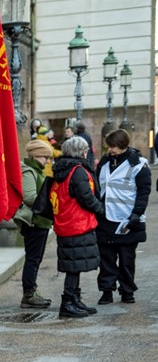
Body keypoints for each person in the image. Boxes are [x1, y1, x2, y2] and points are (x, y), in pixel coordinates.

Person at [51, 136, 104, 318]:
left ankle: (74, 299)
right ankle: (68, 302)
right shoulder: (78, 170)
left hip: (66, 222)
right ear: (81, 151)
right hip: (78, 223)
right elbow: (86, 197)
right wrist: (101, 209)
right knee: (74, 266)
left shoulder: (61, 169)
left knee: (74, 263)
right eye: (85, 149)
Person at [95, 129, 150, 305]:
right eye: (108, 146)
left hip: (127, 219)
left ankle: (127, 291)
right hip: (106, 219)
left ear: (123, 145)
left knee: (127, 260)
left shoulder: (139, 164)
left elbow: (144, 192)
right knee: (106, 260)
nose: (109, 150)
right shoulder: (104, 161)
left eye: (112, 147)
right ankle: (106, 292)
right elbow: (98, 187)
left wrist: (137, 213)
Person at [14, 140, 56, 308]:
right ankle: (29, 294)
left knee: (35, 259)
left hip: (41, 221)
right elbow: (30, 197)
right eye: (45, 157)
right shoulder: (29, 171)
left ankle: (32, 290)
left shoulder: (36, 170)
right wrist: (50, 203)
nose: (47, 161)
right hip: (34, 222)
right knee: (33, 259)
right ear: (36, 155)